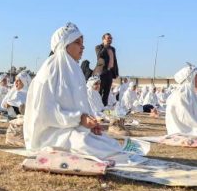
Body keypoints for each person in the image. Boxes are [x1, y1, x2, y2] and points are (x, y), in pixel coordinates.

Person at [24, 22, 130, 162]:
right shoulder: (50, 70)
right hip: (50, 133)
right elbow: (45, 112)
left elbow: (81, 107)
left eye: (82, 43)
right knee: (90, 145)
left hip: (70, 127)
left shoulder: (74, 70)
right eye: (78, 42)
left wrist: (90, 124)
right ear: (65, 44)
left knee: (110, 144)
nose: (82, 47)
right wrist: (79, 119)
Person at [93, 32, 119, 106]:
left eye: (111, 38)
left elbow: (115, 61)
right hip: (101, 73)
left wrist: (116, 72)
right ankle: (97, 107)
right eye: (108, 38)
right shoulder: (98, 47)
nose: (110, 40)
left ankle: (104, 108)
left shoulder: (113, 49)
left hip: (109, 73)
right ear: (103, 39)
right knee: (99, 92)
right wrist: (105, 46)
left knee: (107, 93)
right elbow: (99, 56)